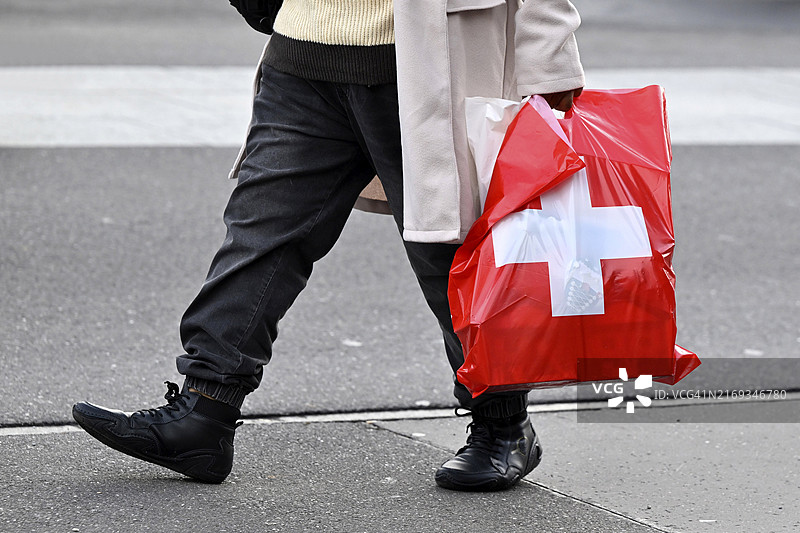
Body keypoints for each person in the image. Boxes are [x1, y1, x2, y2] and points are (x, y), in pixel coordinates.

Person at [72, 0, 584, 491]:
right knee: (260, 236)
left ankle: (502, 423)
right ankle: (205, 409)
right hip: (304, 45)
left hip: (426, 56)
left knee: (450, 253)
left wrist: (549, 62)